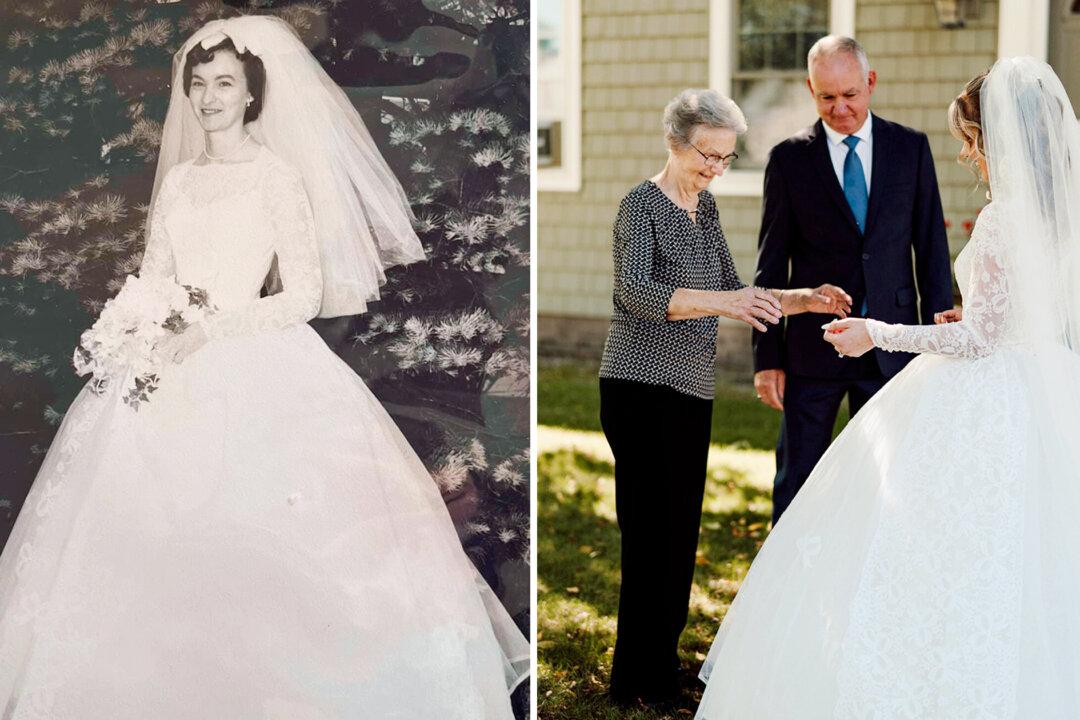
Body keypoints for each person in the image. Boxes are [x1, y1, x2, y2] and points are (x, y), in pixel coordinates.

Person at [0, 16, 528, 718]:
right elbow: (155, 273)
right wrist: (138, 325)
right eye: (199, 84)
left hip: (253, 360)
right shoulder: (183, 180)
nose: (210, 97)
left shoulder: (277, 177)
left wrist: (208, 329)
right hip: (163, 360)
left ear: (252, 95)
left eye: (225, 84)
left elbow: (304, 295)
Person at [695, 57, 1080, 718]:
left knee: (946, 554)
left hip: (991, 400)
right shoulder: (1058, 218)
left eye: (971, 141)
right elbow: (1032, 317)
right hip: (1046, 390)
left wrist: (879, 331)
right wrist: (982, 319)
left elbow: (981, 341)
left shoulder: (1000, 219)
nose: (967, 154)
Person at [598, 88, 851, 708]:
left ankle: (662, 663)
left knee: (681, 531)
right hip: (637, 386)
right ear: (675, 142)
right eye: (707, 156)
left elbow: (734, 290)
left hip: (690, 389)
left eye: (725, 159)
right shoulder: (641, 205)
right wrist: (725, 302)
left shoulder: (703, 210)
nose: (714, 169)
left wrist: (801, 298)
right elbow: (636, 293)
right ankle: (634, 679)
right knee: (649, 532)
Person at [752, 35, 954, 524]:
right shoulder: (789, 160)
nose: (840, 108)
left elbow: (930, 247)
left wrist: (940, 334)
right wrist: (768, 358)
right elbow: (770, 268)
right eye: (827, 97)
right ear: (810, 89)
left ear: (871, 82)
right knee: (797, 480)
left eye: (850, 94)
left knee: (893, 480)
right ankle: (789, 586)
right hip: (811, 352)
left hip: (893, 344)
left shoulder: (911, 148)